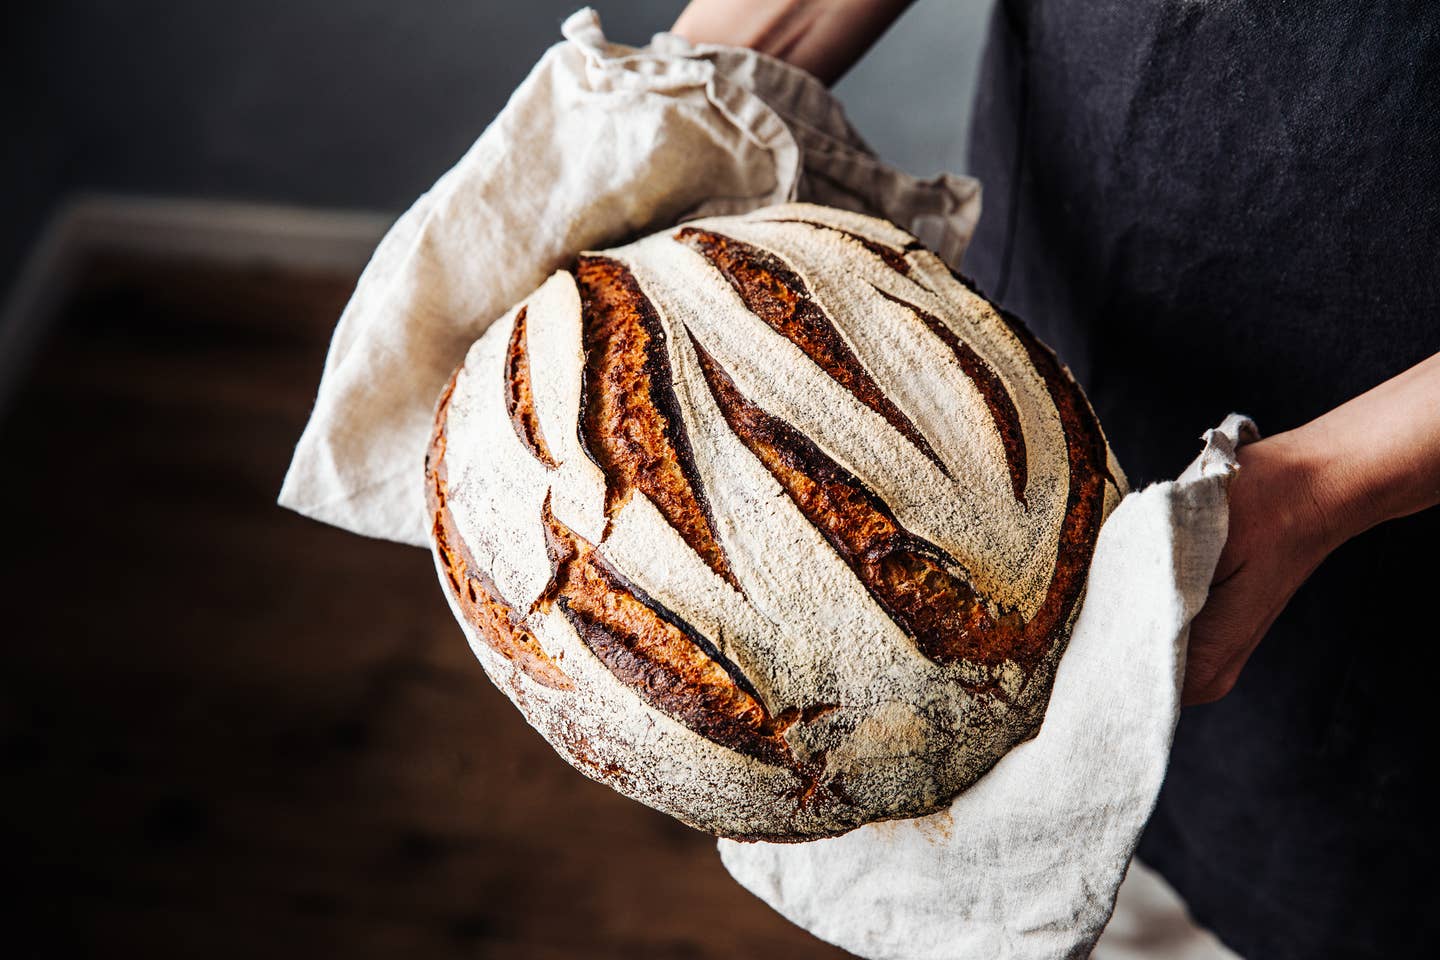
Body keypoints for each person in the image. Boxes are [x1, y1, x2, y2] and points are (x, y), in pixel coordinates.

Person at [672, 2, 1440, 957]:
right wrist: (684, 95)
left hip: (1399, 485)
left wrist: (1329, 485)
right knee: (1059, 859)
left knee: (1327, 866)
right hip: (1063, 256)